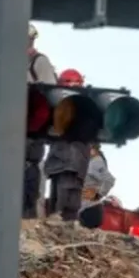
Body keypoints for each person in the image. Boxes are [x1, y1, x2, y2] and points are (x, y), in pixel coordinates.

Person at [44, 68, 90, 222]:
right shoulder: (60, 106)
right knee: (55, 208)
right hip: (59, 163)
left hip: (71, 165)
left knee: (65, 211)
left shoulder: (84, 107)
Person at [23, 23, 58, 218]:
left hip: (32, 130)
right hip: (13, 128)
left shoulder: (39, 62)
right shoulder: (10, 64)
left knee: (28, 173)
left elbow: (49, 96)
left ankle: (26, 219)